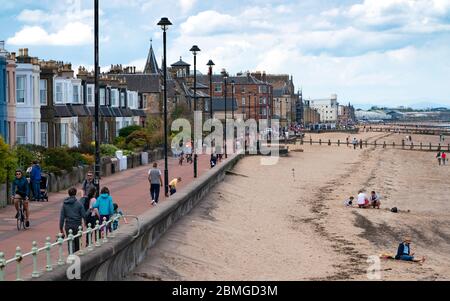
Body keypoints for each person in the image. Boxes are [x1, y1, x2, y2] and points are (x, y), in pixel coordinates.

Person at [59, 188, 86, 253]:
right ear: (75, 193)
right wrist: (85, 222)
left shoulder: (64, 204)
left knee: (70, 242)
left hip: (68, 225)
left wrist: (61, 228)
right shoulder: (79, 204)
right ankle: (77, 255)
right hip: (77, 225)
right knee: (78, 241)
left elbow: (62, 217)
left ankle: (71, 255)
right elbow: (84, 215)